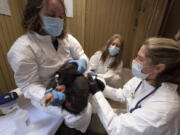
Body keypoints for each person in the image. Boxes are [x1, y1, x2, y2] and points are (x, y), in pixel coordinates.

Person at [7, 0, 92, 133]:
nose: (58, 21)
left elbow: (82, 55)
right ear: (34, 15)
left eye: (61, 16)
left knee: (89, 100)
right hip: (47, 90)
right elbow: (28, 85)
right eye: (51, 15)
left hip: (69, 81)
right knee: (80, 115)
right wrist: (46, 94)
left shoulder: (67, 39)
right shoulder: (22, 48)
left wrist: (81, 62)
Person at [89, 37, 180, 135]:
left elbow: (116, 129)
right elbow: (123, 94)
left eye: (140, 59)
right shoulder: (144, 77)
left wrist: (97, 94)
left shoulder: (165, 108)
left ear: (158, 68)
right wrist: (104, 88)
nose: (134, 61)